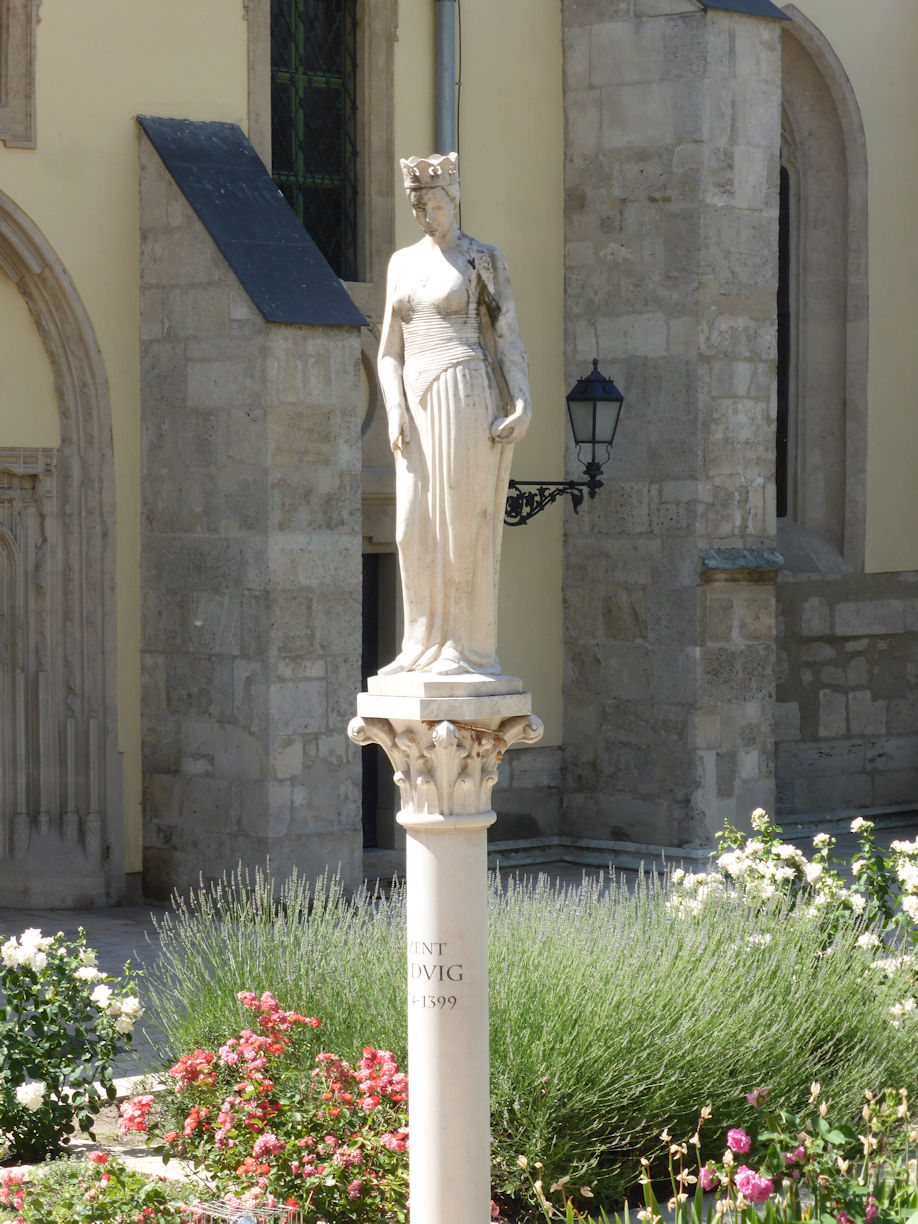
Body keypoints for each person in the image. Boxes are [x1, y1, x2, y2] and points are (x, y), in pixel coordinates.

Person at [376, 153, 531, 677]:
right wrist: (394, 407)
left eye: (434, 203)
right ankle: (419, 643)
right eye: (417, 204)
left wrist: (522, 401)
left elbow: (505, 332)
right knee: (410, 527)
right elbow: (388, 350)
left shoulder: (480, 259)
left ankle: (463, 647)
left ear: (454, 200)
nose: (425, 213)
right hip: (416, 399)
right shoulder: (401, 262)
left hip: (465, 385)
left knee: (461, 522)